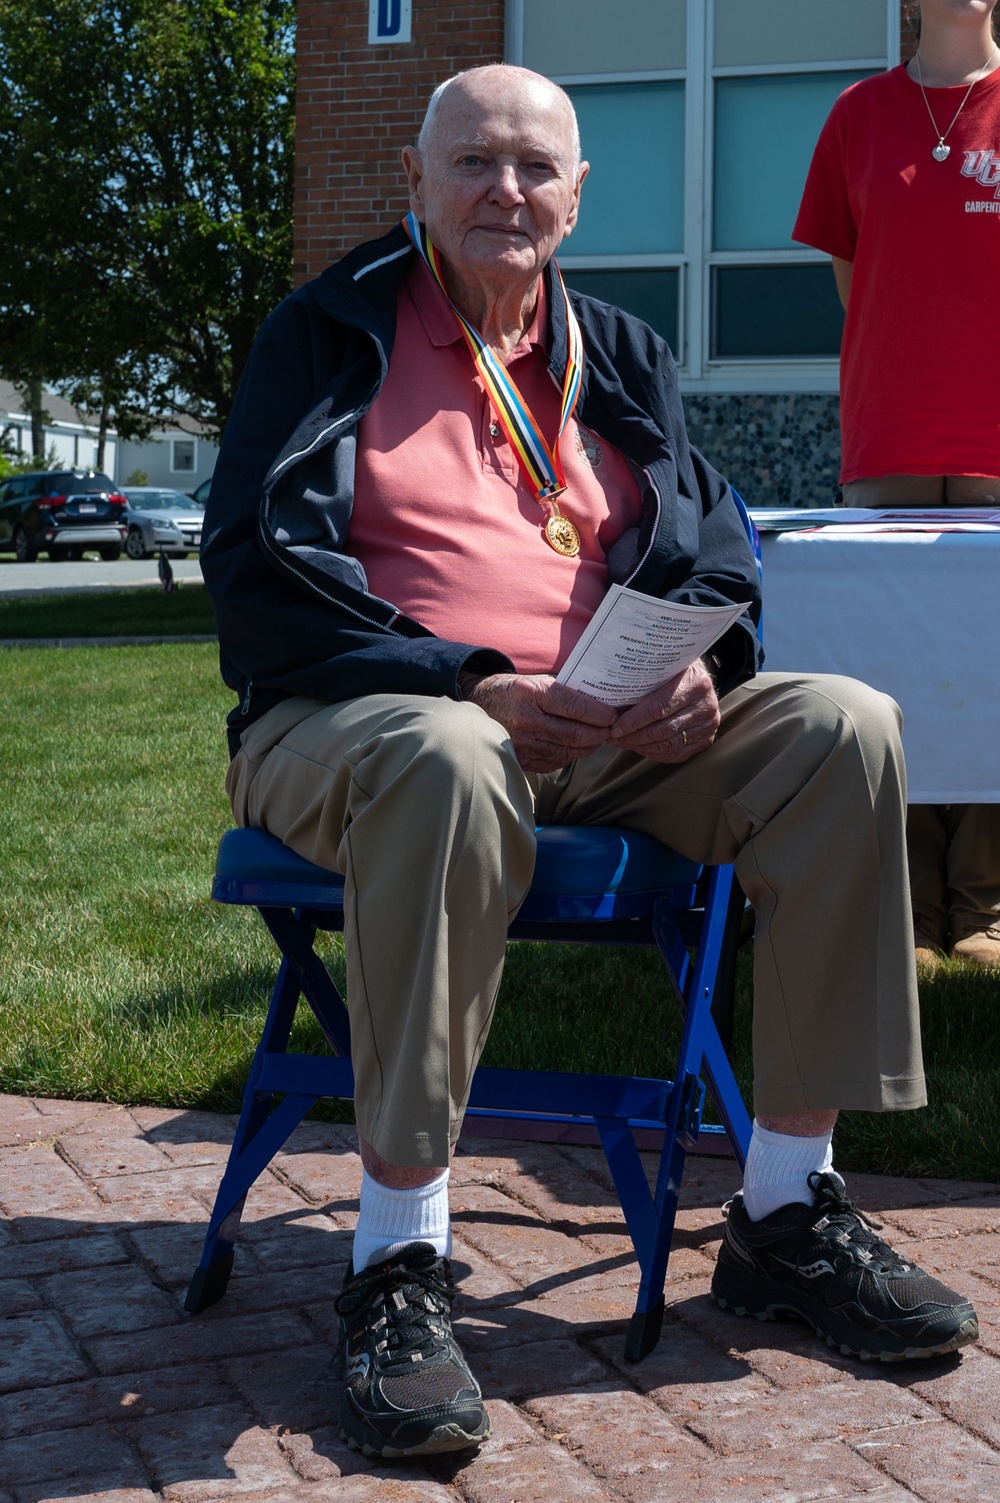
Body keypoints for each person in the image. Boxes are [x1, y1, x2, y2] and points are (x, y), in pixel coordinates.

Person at [201, 65, 978, 1460]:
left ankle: (787, 1211)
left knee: (844, 724)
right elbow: (256, 571)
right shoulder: (324, 334)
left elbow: (710, 547)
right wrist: (471, 680)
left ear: (578, 193)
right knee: (446, 758)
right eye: (476, 161)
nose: (507, 189)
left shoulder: (616, 346)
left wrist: (703, 667)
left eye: (536, 167)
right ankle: (397, 1257)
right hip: (365, 716)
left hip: (604, 726)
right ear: (416, 179)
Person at [794, 0, 1000, 970]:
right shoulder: (855, 115)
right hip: (889, 438)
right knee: (894, 673)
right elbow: (856, 275)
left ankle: (983, 906)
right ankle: (909, 904)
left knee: (991, 671)